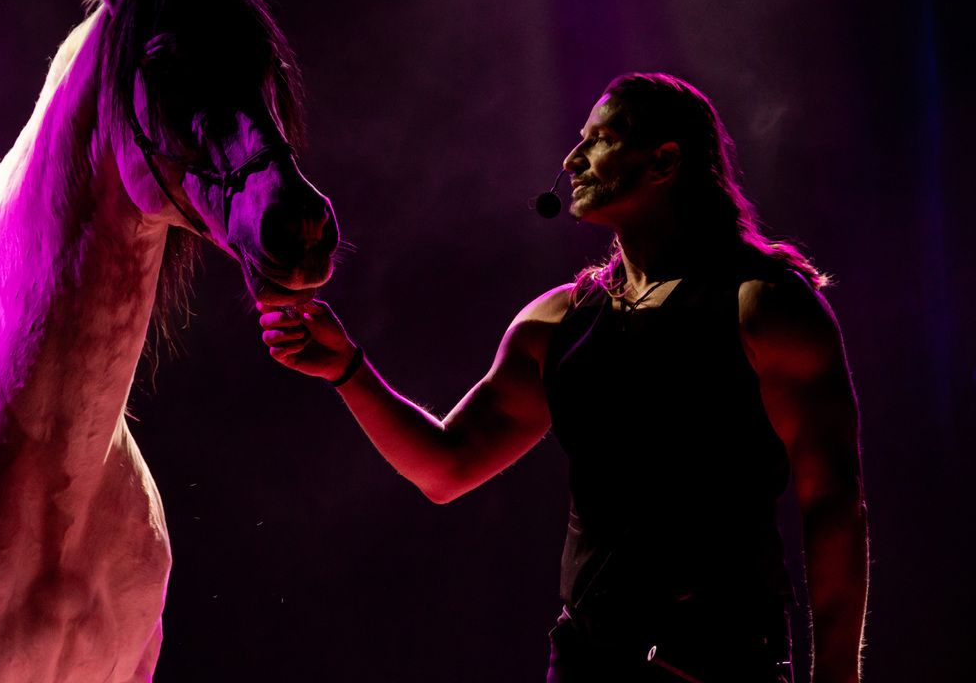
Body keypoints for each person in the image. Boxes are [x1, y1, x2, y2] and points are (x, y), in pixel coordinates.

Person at [258, 73, 869, 682]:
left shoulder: (763, 307)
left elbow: (834, 505)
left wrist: (837, 677)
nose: (572, 158)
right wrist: (346, 368)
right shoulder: (557, 323)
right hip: (586, 663)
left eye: (600, 139)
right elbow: (444, 468)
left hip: (723, 660)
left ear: (664, 161)